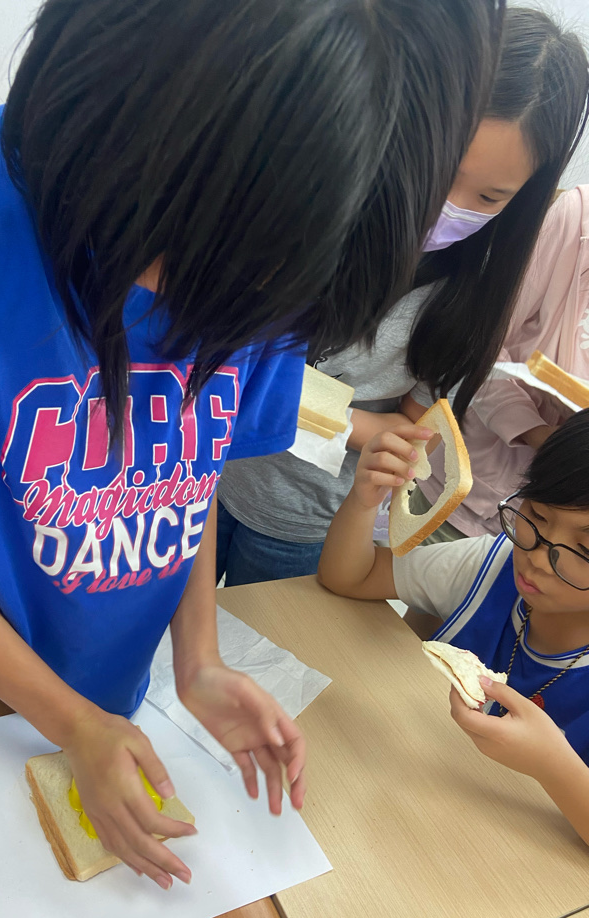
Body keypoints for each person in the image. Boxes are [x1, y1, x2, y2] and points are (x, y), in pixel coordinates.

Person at [0, 0, 504, 889]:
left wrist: (199, 657)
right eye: (193, 271)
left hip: (107, 670)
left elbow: (190, 474)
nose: (204, 319)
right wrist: (72, 724)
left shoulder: (289, 232)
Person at [217, 7, 589, 585]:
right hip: (208, 474)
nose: (450, 206)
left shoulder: (471, 298)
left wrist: (284, 397)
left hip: (306, 523)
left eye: (490, 197)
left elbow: (411, 432)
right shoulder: (315, 216)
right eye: (444, 172)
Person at [318, 414, 589, 846]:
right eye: (537, 515)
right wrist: (365, 501)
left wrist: (552, 764)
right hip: (397, 810)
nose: (537, 557)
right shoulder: (492, 565)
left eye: (585, 549)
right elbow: (351, 576)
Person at [414, 184, 589, 537]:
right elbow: (483, 343)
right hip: (472, 490)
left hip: (567, 536)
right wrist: (539, 435)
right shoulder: (577, 216)